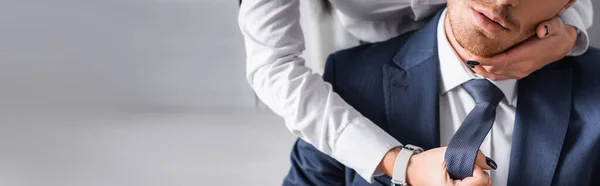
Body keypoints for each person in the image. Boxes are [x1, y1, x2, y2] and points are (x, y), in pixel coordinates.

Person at [238, 0, 593, 184]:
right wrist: (398, 164)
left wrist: (568, 32)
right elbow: (272, 64)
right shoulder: (349, 86)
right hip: (383, 60)